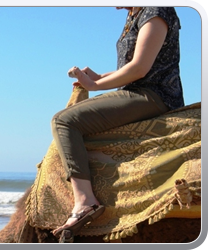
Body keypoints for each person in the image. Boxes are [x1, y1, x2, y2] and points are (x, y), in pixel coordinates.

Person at [51, 7, 184, 237]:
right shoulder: (134, 14)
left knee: (64, 121)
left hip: (153, 95)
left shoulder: (156, 10)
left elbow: (140, 68)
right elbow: (130, 68)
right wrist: (99, 77)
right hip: (137, 91)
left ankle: (85, 201)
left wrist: (95, 86)